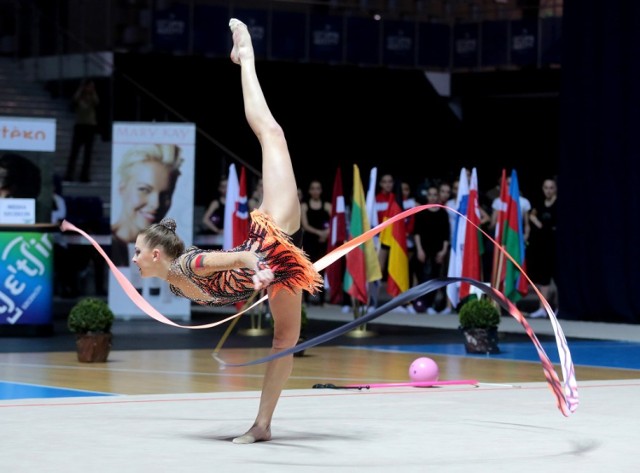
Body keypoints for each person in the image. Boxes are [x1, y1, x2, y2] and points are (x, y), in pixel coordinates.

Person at [131, 19, 323, 444]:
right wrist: (259, 277)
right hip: (278, 266)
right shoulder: (178, 284)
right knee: (285, 339)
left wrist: (257, 271)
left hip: (274, 237)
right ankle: (263, 425)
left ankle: (246, 57)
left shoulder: (188, 264)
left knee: (273, 134)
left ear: (158, 256)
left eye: (138, 252)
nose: (134, 259)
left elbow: (240, 258)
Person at [111, 143, 183, 267]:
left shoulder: (170, 250)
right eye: (144, 189)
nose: (155, 204)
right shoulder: (108, 247)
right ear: (123, 187)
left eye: (165, 195)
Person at [527, 177, 558, 318]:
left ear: (555, 189)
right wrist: (535, 220)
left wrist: (539, 224)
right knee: (542, 278)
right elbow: (532, 216)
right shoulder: (539, 205)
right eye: (546, 188)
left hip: (556, 246)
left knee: (555, 279)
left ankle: (554, 307)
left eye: (551, 188)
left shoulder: (558, 204)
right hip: (542, 246)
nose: (548, 191)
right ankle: (543, 308)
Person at [300, 179, 331, 305]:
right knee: (308, 268)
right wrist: (320, 233)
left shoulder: (327, 206)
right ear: (309, 191)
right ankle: (307, 298)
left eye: (318, 188)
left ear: (321, 190)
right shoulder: (304, 205)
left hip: (323, 241)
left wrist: (327, 232)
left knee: (322, 268)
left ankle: (322, 299)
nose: (315, 191)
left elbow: (335, 221)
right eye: (313, 188)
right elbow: (305, 225)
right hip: (310, 240)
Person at [65, 79, 99, 183]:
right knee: (74, 152)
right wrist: (80, 89)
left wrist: (92, 91)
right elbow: (74, 101)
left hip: (90, 126)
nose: (89, 88)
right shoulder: (80, 96)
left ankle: (85, 175)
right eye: (88, 86)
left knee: (87, 153)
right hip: (79, 125)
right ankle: (69, 174)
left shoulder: (92, 97)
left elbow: (97, 102)